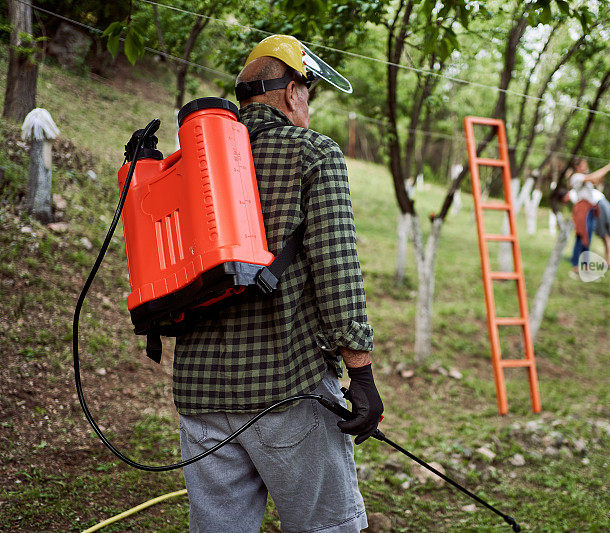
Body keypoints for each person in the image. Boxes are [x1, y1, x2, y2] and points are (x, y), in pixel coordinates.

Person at [173, 35, 382, 533]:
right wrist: (363, 377)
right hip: (289, 389)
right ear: (292, 93)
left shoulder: (186, 166)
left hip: (200, 398)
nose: (307, 105)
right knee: (327, 527)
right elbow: (338, 272)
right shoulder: (313, 154)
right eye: (307, 94)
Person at [566, 159, 610, 271]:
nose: (586, 166)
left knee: (588, 237)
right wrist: (608, 167)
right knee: (581, 235)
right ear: (577, 166)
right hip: (582, 209)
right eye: (584, 164)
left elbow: (597, 180)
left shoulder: (585, 178)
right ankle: (575, 264)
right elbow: (592, 177)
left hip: (590, 209)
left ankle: (585, 264)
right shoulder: (576, 177)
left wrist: (605, 172)